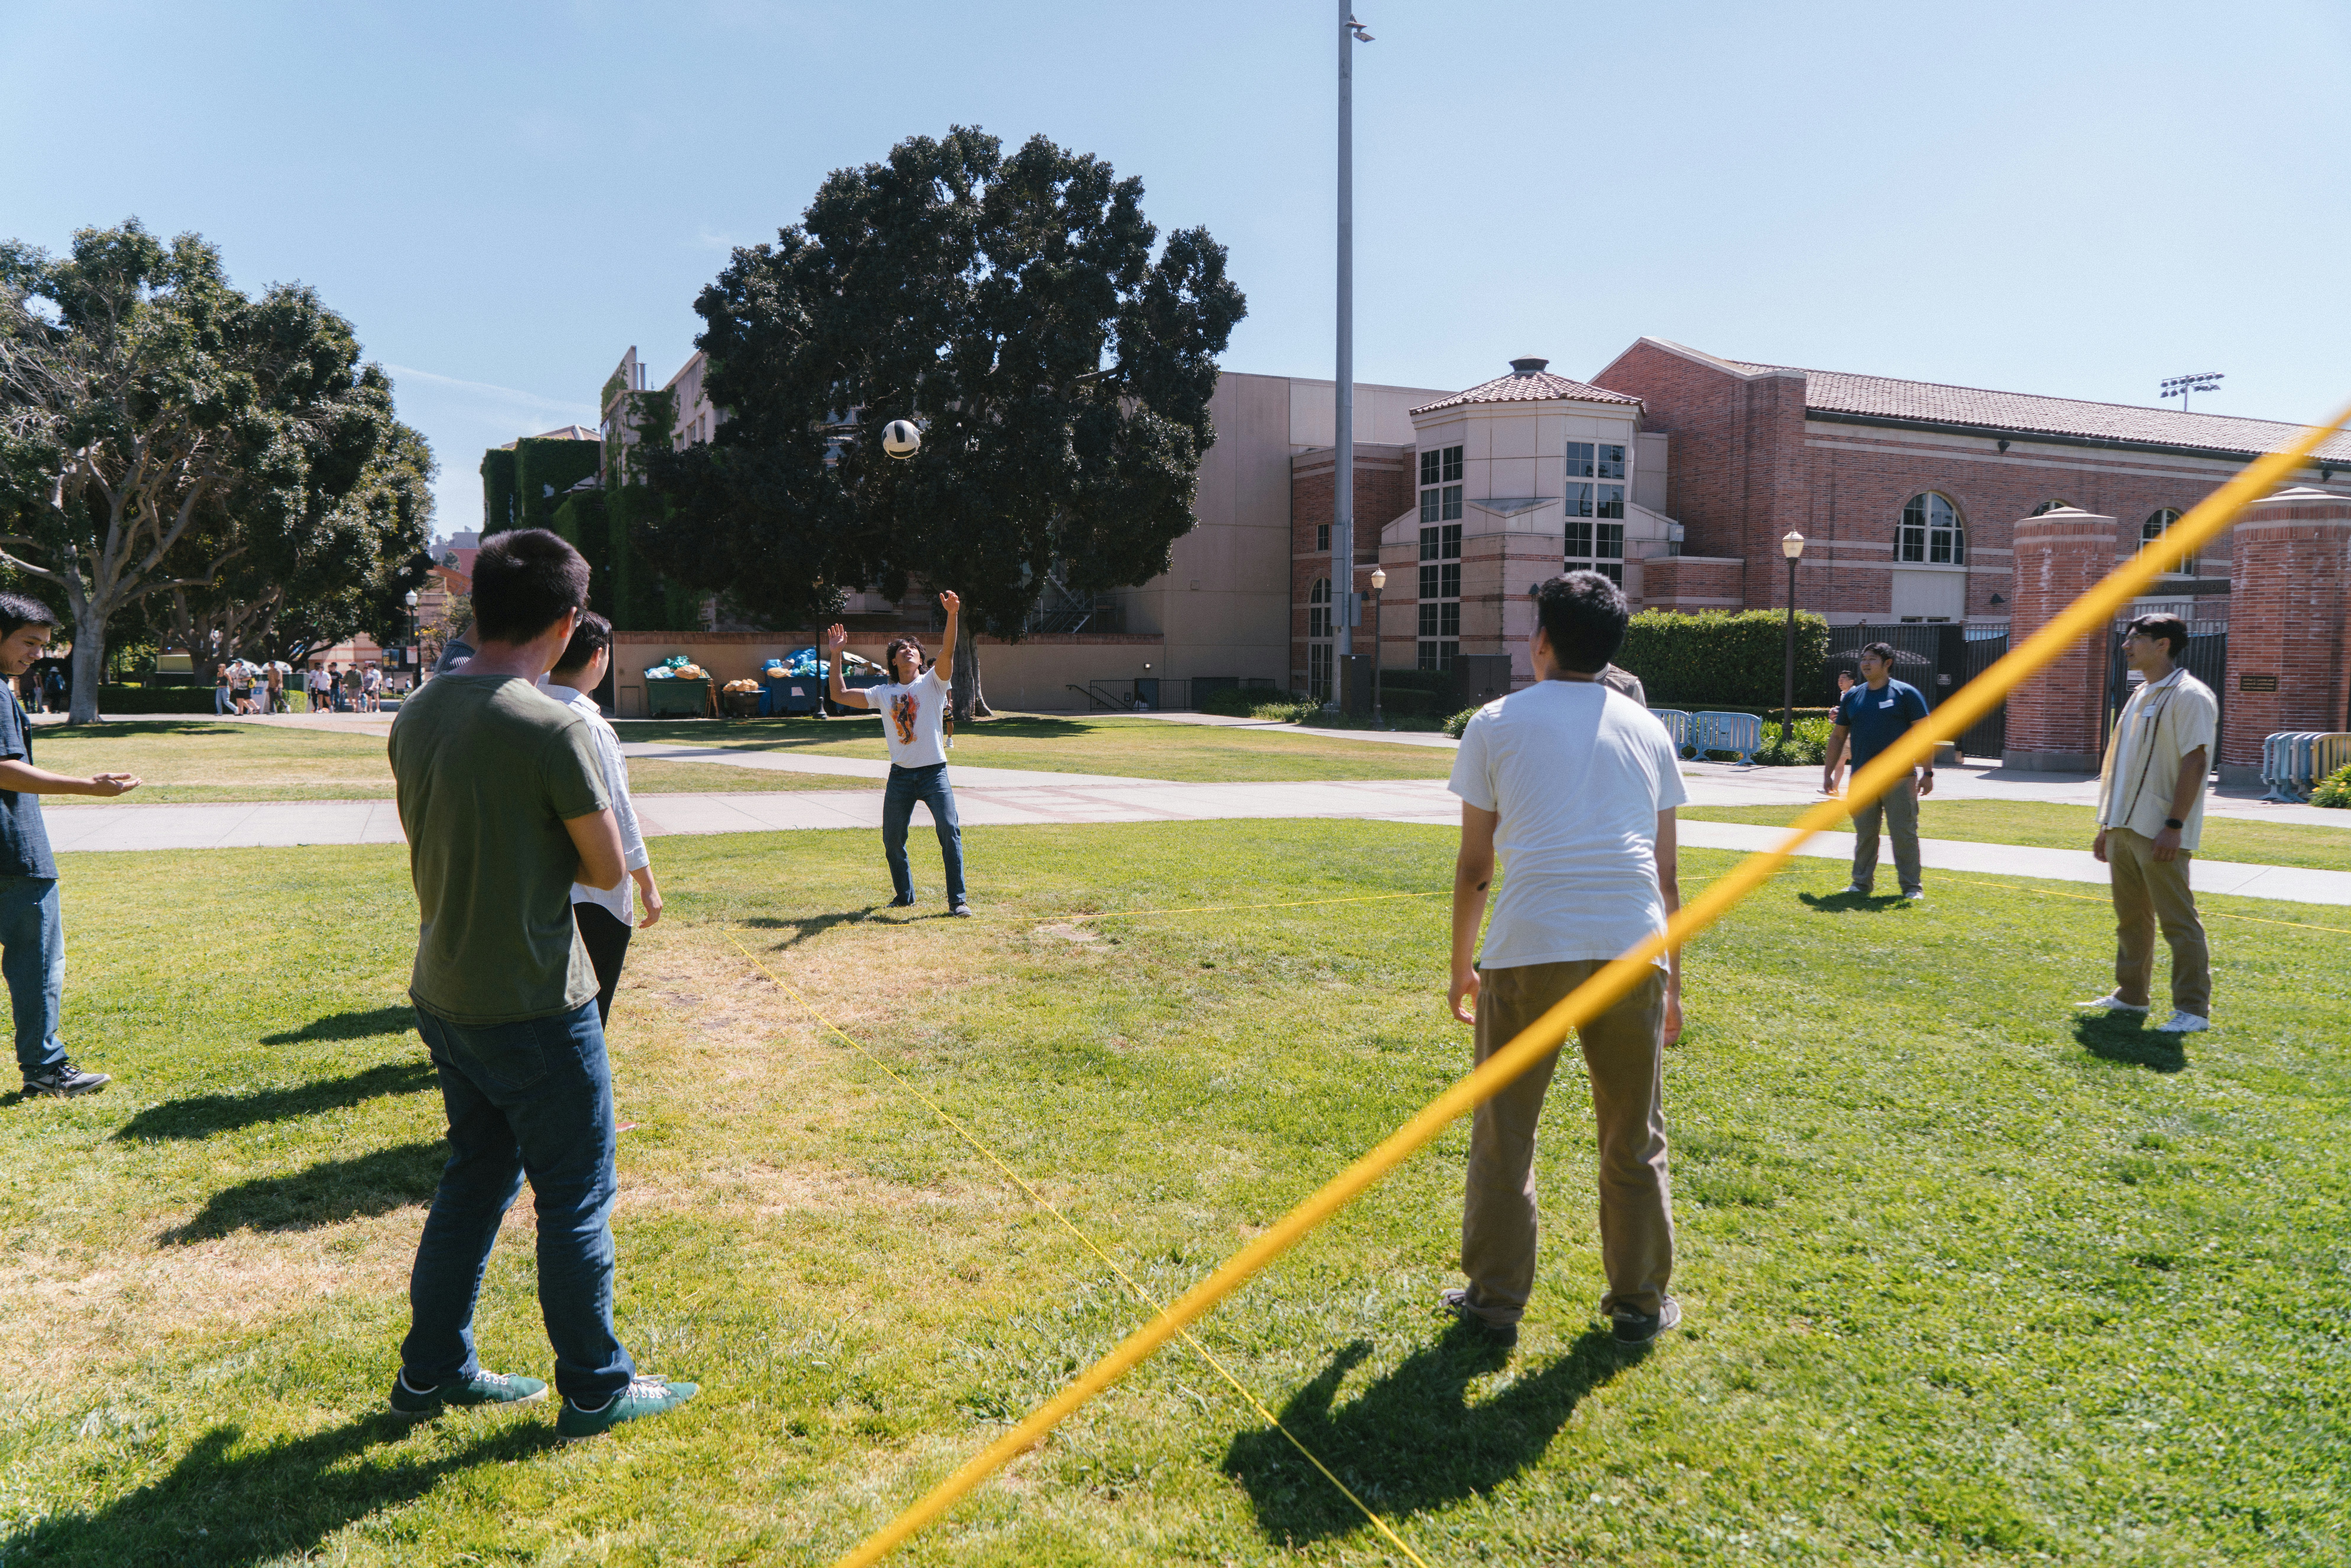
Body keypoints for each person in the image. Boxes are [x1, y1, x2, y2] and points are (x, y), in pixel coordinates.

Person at [386, 527, 698, 1438]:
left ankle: (432, 1370)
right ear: (567, 624)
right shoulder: (553, 721)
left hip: (443, 988)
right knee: (575, 1194)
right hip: (533, 1000)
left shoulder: (418, 710)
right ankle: (596, 1385)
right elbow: (604, 868)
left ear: (478, 604)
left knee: (474, 1179)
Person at [1441, 570, 1688, 1349]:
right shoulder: (1649, 730)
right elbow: (1667, 873)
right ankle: (1640, 1304)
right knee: (1633, 1136)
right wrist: (1675, 983)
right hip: (1632, 949)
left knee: (1504, 1133)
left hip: (1529, 947)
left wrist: (1459, 967)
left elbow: (1476, 865)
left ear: (1540, 639)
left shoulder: (1495, 721)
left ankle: (1494, 1303)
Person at [0, 594, 141, 1097]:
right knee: (37, 966)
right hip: (17, 856)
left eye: (42, 644)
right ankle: (45, 1069)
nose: (37, 654)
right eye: (29, 642)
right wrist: (90, 786)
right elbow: (5, 768)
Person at [2079, 613, 2215, 1034]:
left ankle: (2193, 1010)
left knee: (2178, 921)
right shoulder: (2139, 694)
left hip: (2161, 830)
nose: (2126, 645)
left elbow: (2196, 761)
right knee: (2131, 918)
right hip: (2123, 827)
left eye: (2136, 638)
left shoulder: (2191, 695)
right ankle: (2132, 996)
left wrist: (2174, 825)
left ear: (2164, 645)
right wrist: (2107, 825)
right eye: (2127, 637)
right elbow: (2121, 765)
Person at [540, 611, 662, 1024]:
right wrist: (647, 883)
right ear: (598, 656)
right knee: (587, 1017)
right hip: (594, 899)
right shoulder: (591, 727)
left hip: (538, 892)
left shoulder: (527, 710)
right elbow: (619, 813)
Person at [824, 593, 971, 916]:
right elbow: (839, 695)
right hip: (901, 777)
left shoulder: (933, 683)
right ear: (893, 661)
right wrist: (835, 655)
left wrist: (952, 614)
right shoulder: (883, 693)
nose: (907, 651)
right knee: (892, 840)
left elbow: (947, 651)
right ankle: (904, 897)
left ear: (921, 660)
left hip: (934, 774)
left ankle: (957, 901)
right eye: (901, 649)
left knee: (949, 831)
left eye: (913, 649)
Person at [1820, 643, 1933, 899]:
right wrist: (1828, 773)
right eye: (1864, 659)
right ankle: (1861, 884)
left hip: (1900, 778)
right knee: (1865, 835)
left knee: (1903, 833)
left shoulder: (1906, 694)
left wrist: (1928, 773)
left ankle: (1912, 887)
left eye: (1872, 659)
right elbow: (1838, 738)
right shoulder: (1853, 696)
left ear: (1888, 663)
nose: (1866, 664)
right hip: (1862, 778)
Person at [1824, 669, 1857, 793]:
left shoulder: (1855, 693)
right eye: (1839, 680)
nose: (1840, 682)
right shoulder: (1844, 694)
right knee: (1840, 762)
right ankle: (1835, 789)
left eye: (1843, 679)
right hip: (1846, 734)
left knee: (1859, 763)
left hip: (1855, 734)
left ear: (1852, 681)